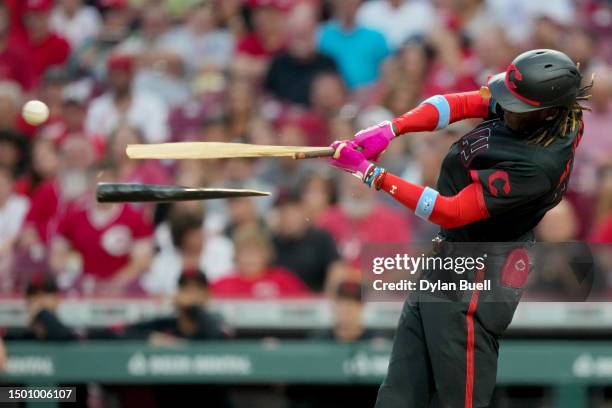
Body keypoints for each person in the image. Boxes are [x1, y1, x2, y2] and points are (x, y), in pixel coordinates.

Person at [326, 49, 590, 407]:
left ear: (545, 112)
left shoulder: (537, 164)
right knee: (397, 396)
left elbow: (447, 211)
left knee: (459, 400)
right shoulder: (541, 114)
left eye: (516, 104)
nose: (503, 105)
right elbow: (457, 104)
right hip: (447, 260)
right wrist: (393, 127)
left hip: (477, 277)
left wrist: (370, 173)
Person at [211, 225, 309, 298]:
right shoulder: (221, 285)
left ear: (266, 254)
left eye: (254, 252)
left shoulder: (286, 281)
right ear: (236, 256)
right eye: (244, 252)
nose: (249, 258)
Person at [272, 189, 341, 292]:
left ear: (304, 212)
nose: (288, 217)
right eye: (283, 211)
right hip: (278, 302)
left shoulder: (321, 239)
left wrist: (328, 299)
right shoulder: (272, 242)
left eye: (293, 211)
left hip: (315, 302)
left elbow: (336, 269)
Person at [318, 0, 390, 89]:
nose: (348, 4)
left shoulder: (376, 37)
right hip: (335, 98)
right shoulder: (322, 35)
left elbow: (387, 73)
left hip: (370, 97)